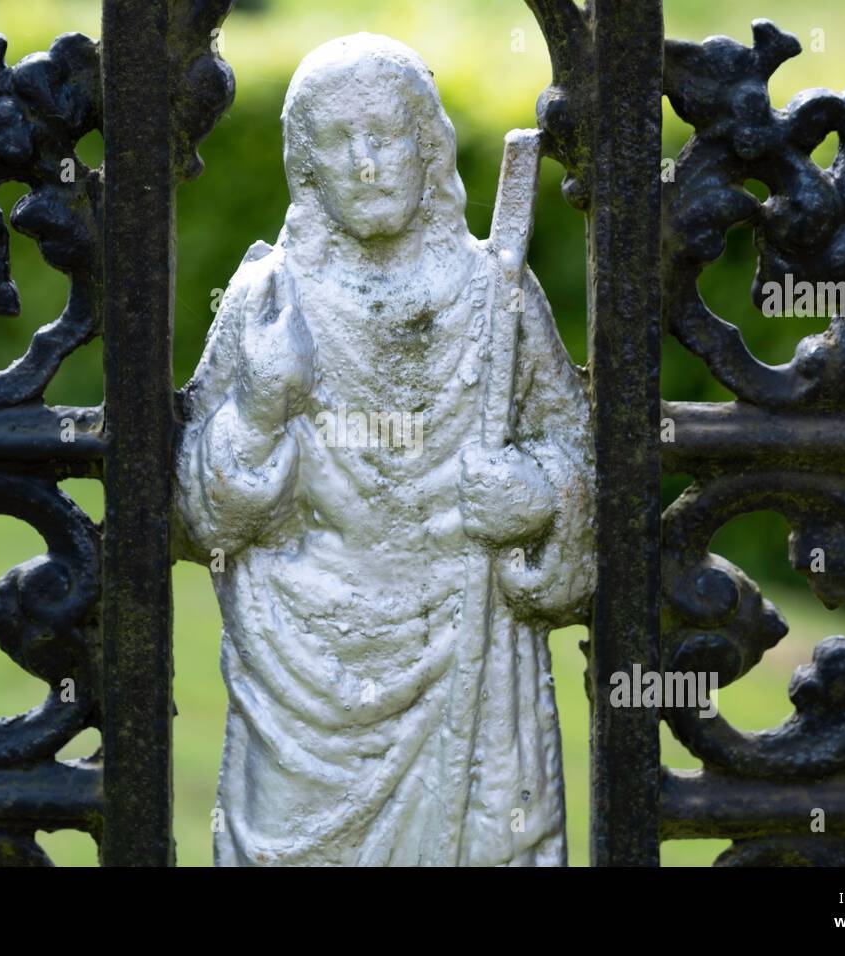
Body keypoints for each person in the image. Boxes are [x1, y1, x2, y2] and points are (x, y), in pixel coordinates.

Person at [174, 33, 596, 866]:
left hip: (471, 662)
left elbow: (576, 452)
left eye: (388, 136)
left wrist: (541, 494)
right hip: (301, 685)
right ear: (308, 168)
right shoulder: (271, 300)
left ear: (429, 147)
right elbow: (198, 520)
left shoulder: (495, 295)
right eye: (338, 142)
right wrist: (258, 410)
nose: (366, 163)